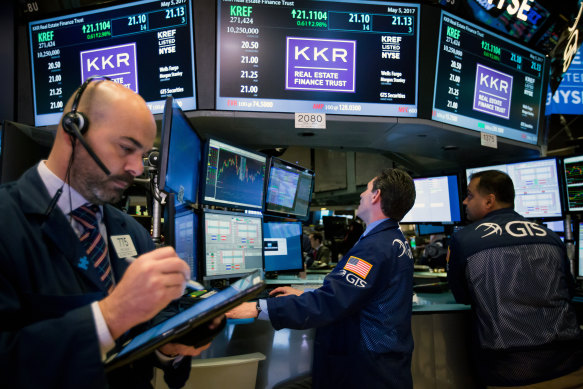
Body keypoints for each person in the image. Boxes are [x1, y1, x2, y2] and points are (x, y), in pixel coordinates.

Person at [0, 79, 219, 389]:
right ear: (72, 130)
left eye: (142, 153)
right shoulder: (8, 221)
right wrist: (110, 316)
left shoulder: (131, 231)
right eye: (126, 148)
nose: (137, 169)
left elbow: (145, 329)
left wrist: (168, 346)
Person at [227, 168, 417, 389]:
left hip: (367, 372)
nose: (361, 195)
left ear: (376, 195)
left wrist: (259, 308)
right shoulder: (393, 239)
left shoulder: (374, 247)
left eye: (365, 190)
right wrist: (308, 294)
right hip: (382, 365)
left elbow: (329, 304)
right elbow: (355, 295)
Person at [447, 170, 583, 388]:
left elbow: (462, 296)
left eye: (470, 195)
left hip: (508, 370)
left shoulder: (464, 240)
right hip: (568, 364)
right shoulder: (550, 237)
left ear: (489, 200)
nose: (464, 201)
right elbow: (569, 288)